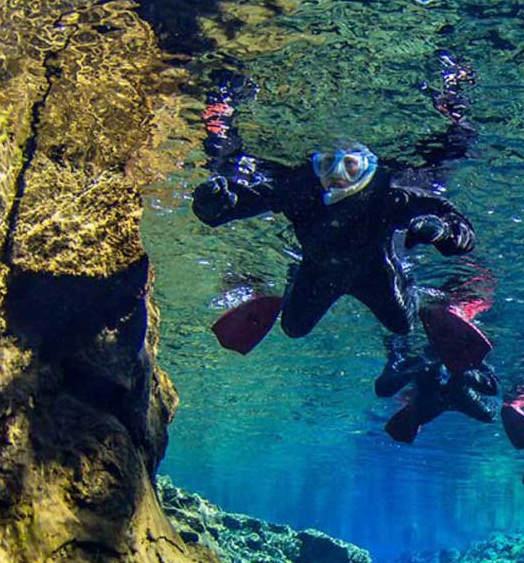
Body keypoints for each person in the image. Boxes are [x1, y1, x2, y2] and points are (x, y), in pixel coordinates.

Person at [192, 55, 490, 373]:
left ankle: (416, 291)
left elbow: (459, 226)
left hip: (376, 273)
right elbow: (234, 204)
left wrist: (442, 233)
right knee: (293, 328)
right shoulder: (300, 188)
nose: (336, 177)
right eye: (326, 165)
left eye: (350, 166)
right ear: (314, 165)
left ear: (369, 167)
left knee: (403, 325)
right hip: (318, 273)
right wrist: (212, 203)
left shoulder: (391, 191)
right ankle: (292, 277)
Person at [374, 334, 500, 443]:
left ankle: (398, 345)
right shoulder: (421, 409)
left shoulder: (415, 406)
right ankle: (466, 366)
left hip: (442, 377)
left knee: (385, 389)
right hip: (451, 388)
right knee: (488, 414)